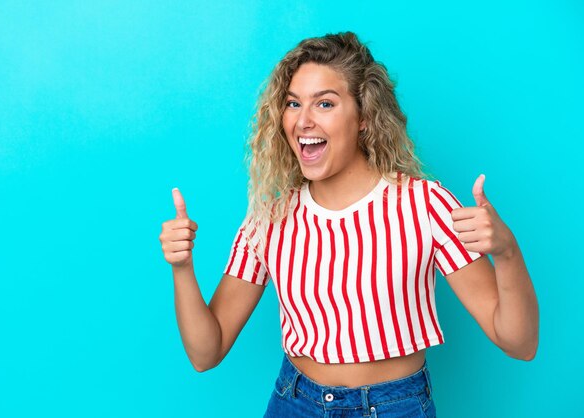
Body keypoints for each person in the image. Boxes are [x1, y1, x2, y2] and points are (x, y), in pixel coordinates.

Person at [159, 31, 539, 417]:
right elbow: (207, 352)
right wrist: (182, 269)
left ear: (364, 117)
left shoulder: (425, 205)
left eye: (324, 103)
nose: (303, 120)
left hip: (397, 406)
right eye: (293, 103)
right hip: (296, 402)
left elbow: (519, 343)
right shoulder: (269, 219)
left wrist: (507, 252)